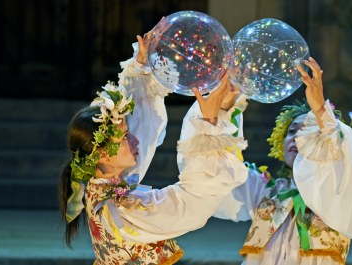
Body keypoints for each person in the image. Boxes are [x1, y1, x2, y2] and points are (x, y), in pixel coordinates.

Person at [58, 26, 248, 264]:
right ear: (103, 154)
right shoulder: (121, 208)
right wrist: (210, 124)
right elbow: (191, 204)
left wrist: (142, 68)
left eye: (128, 133)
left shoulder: (107, 188)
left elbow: (141, 122)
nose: (135, 138)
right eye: (125, 137)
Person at [180, 57, 352, 264]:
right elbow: (215, 173)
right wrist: (220, 113)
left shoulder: (340, 192)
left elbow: (342, 157)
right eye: (291, 132)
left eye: (308, 133)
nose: (297, 139)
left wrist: (320, 112)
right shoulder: (264, 190)